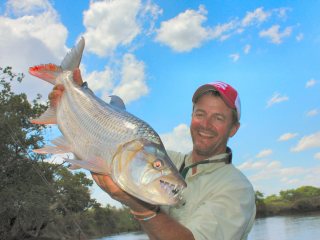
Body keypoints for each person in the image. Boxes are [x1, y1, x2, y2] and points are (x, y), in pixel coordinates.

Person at [49, 69, 256, 240]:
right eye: (200, 114)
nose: (206, 125)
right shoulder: (170, 159)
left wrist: (141, 208)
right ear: (192, 117)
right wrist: (76, 97)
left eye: (218, 118)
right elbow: (111, 129)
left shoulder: (237, 189)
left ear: (233, 129)